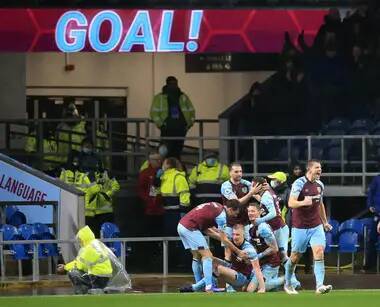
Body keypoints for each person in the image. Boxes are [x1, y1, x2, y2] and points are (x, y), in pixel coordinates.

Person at [283, 159, 333, 295]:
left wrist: (325, 222)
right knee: (294, 257)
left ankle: (319, 286)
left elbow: (320, 204)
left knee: (319, 252)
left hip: (316, 226)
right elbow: (291, 203)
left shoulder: (320, 185)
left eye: (321, 168)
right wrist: (303, 202)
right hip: (300, 227)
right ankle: (287, 284)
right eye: (317, 167)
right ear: (309, 169)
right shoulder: (299, 183)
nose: (320, 170)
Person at [177, 200, 248, 293]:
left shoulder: (217, 207)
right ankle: (209, 287)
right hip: (190, 228)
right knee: (208, 256)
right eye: (235, 213)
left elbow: (207, 231)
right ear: (230, 209)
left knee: (197, 256)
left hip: (182, 225)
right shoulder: (222, 217)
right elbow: (224, 239)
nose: (235, 216)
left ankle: (199, 286)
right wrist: (238, 251)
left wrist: (225, 239)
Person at [57, 225, 131, 294]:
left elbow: (79, 265)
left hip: (96, 277)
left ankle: (86, 289)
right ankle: (97, 288)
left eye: (80, 239)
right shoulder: (97, 243)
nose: (79, 242)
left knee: (73, 272)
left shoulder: (88, 249)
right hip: (105, 277)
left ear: (83, 238)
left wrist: (65, 267)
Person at [150, 76, 195, 158]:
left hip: (180, 128)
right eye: (172, 84)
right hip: (168, 129)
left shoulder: (183, 96)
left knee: (177, 151)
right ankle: (166, 167)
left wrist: (188, 124)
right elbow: (154, 113)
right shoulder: (160, 97)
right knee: (165, 151)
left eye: (175, 83)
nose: (174, 86)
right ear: (167, 84)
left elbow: (191, 111)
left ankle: (175, 168)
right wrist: (162, 125)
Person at [214, 224, 265, 293]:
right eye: (233, 234)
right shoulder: (231, 242)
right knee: (210, 260)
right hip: (234, 273)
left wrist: (262, 288)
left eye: (237, 235)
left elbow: (257, 268)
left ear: (243, 235)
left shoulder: (249, 248)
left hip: (244, 277)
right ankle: (222, 291)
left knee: (220, 268)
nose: (235, 237)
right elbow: (216, 236)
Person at [247, 201, 284, 292]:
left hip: (271, 263)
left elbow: (274, 248)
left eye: (253, 211)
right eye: (249, 211)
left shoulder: (263, 228)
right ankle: (273, 284)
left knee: (258, 288)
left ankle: (285, 279)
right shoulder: (251, 227)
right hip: (260, 264)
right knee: (249, 289)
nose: (250, 213)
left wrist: (258, 256)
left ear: (259, 213)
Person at [59, 154, 101, 229]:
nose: (76, 163)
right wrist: (98, 184)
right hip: (83, 212)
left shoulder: (81, 175)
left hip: (79, 211)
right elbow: (94, 190)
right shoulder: (83, 176)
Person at [156, 157, 190, 236]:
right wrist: (156, 180)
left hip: (176, 212)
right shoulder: (164, 176)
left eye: (164, 163)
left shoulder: (177, 176)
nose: (162, 165)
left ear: (168, 164)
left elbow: (184, 194)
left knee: (173, 235)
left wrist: (183, 211)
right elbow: (153, 193)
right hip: (167, 211)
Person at [137, 153, 164, 236]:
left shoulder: (164, 171)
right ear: (150, 161)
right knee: (150, 231)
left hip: (163, 207)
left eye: (160, 159)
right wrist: (148, 200)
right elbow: (141, 188)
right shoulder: (145, 173)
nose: (159, 161)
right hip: (149, 208)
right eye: (156, 160)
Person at [92, 169, 120, 236]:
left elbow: (116, 186)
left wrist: (107, 195)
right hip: (95, 212)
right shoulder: (93, 175)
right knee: (97, 234)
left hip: (107, 212)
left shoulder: (107, 174)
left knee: (108, 233)